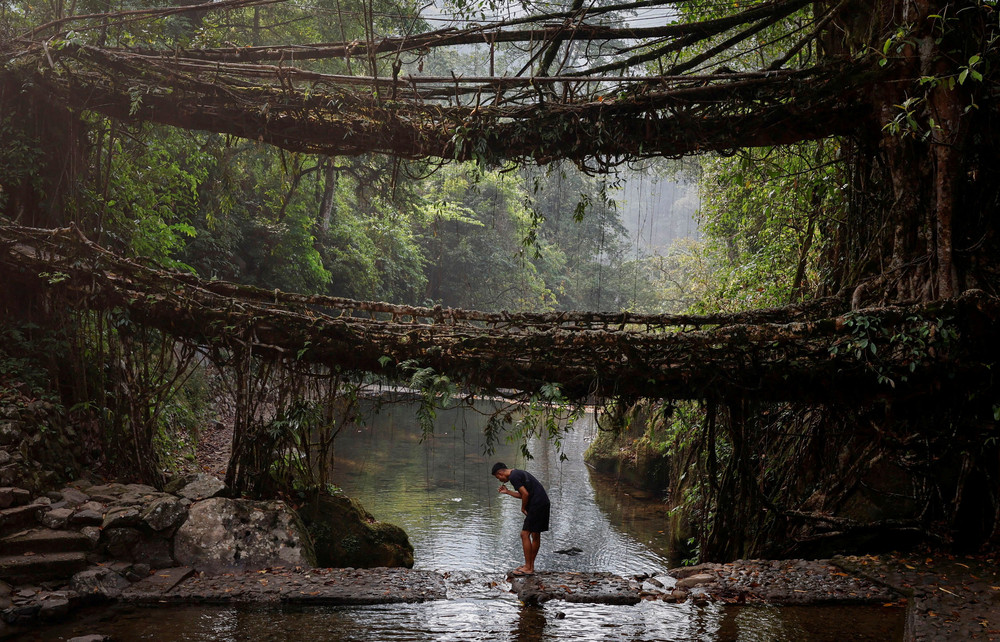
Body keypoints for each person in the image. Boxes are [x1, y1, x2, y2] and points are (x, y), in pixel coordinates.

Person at [491, 461, 550, 576]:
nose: (499, 480)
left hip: (536, 504)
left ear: (500, 473)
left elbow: (525, 495)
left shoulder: (513, 477)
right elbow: (524, 494)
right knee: (535, 535)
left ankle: (528, 567)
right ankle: (530, 566)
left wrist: (523, 508)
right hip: (543, 502)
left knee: (524, 534)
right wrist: (508, 492)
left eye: (498, 477)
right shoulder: (517, 473)